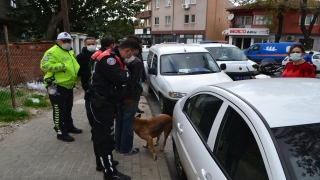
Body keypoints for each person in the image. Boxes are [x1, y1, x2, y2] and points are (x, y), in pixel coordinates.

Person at [88, 38, 141, 180]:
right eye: (133, 54)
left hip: (104, 102)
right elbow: (121, 79)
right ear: (127, 50)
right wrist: (127, 73)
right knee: (105, 138)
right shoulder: (109, 59)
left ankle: (103, 163)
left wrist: (123, 72)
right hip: (102, 104)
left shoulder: (112, 56)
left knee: (100, 135)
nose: (132, 58)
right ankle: (110, 173)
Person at [40, 32, 82, 142]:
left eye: (68, 41)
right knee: (59, 110)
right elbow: (44, 66)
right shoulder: (52, 52)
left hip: (68, 86)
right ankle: (60, 132)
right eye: (64, 41)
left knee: (68, 108)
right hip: (56, 86)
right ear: (57, 41)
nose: (67, 43)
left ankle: (69, 126)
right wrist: (62, 67)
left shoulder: (69, 51)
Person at [84, 37, 116, 172]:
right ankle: (103, 164)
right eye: (89, 44)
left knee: (99, 134)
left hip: (92, 95)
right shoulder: (106, 57)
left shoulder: (95, 55)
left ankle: (104, 161)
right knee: (101, 135)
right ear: (112, 45)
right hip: (98, 100)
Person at [115, 55, 144, 155]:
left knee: (119, 122)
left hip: (119, 96)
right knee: (127, 123)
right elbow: (132, 83)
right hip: (129, 98)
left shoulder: (117, 59)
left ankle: (118, 146)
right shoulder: (136, 62)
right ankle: (126, 149)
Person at [127, 35, 145, 113]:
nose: (140, 48)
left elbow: (142, 65)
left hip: (139, 76)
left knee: (137, 93)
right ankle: (133, 106)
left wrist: (144, 75)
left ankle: (136, 106)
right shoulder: (130, 55)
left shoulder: (139, 53)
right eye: (140, 46)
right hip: (134, 78)